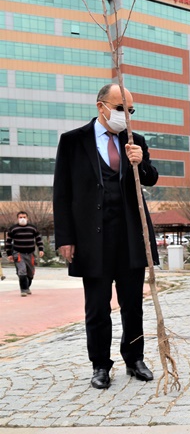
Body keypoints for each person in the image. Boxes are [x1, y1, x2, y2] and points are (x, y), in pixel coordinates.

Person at [53, 84, 159, 390]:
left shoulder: (135, 141)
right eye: (120, 109)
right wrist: (65, 238)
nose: (126, 116)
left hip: (129, 238)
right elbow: (62, 193)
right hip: (92, 240)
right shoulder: (73, 142)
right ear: (101, 107)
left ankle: (134, 359)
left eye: (131, 111)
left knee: (133, 306)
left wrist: (141, 161)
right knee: (97, 308)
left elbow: (150, 179)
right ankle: (100, 365)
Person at [5, 211, 44, 297]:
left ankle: (27, 287)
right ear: (17, 218)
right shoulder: (13, 229)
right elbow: (8, 242)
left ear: (27, 218)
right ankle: (23, 290)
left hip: (30, 253)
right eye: (20, 217)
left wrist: (41, 249)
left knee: (30, 273)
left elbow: (38, 239)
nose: (22, 219)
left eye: (24, 217)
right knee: (22, 271)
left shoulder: (33, 228)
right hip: (18, 253)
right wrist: (9, 254)